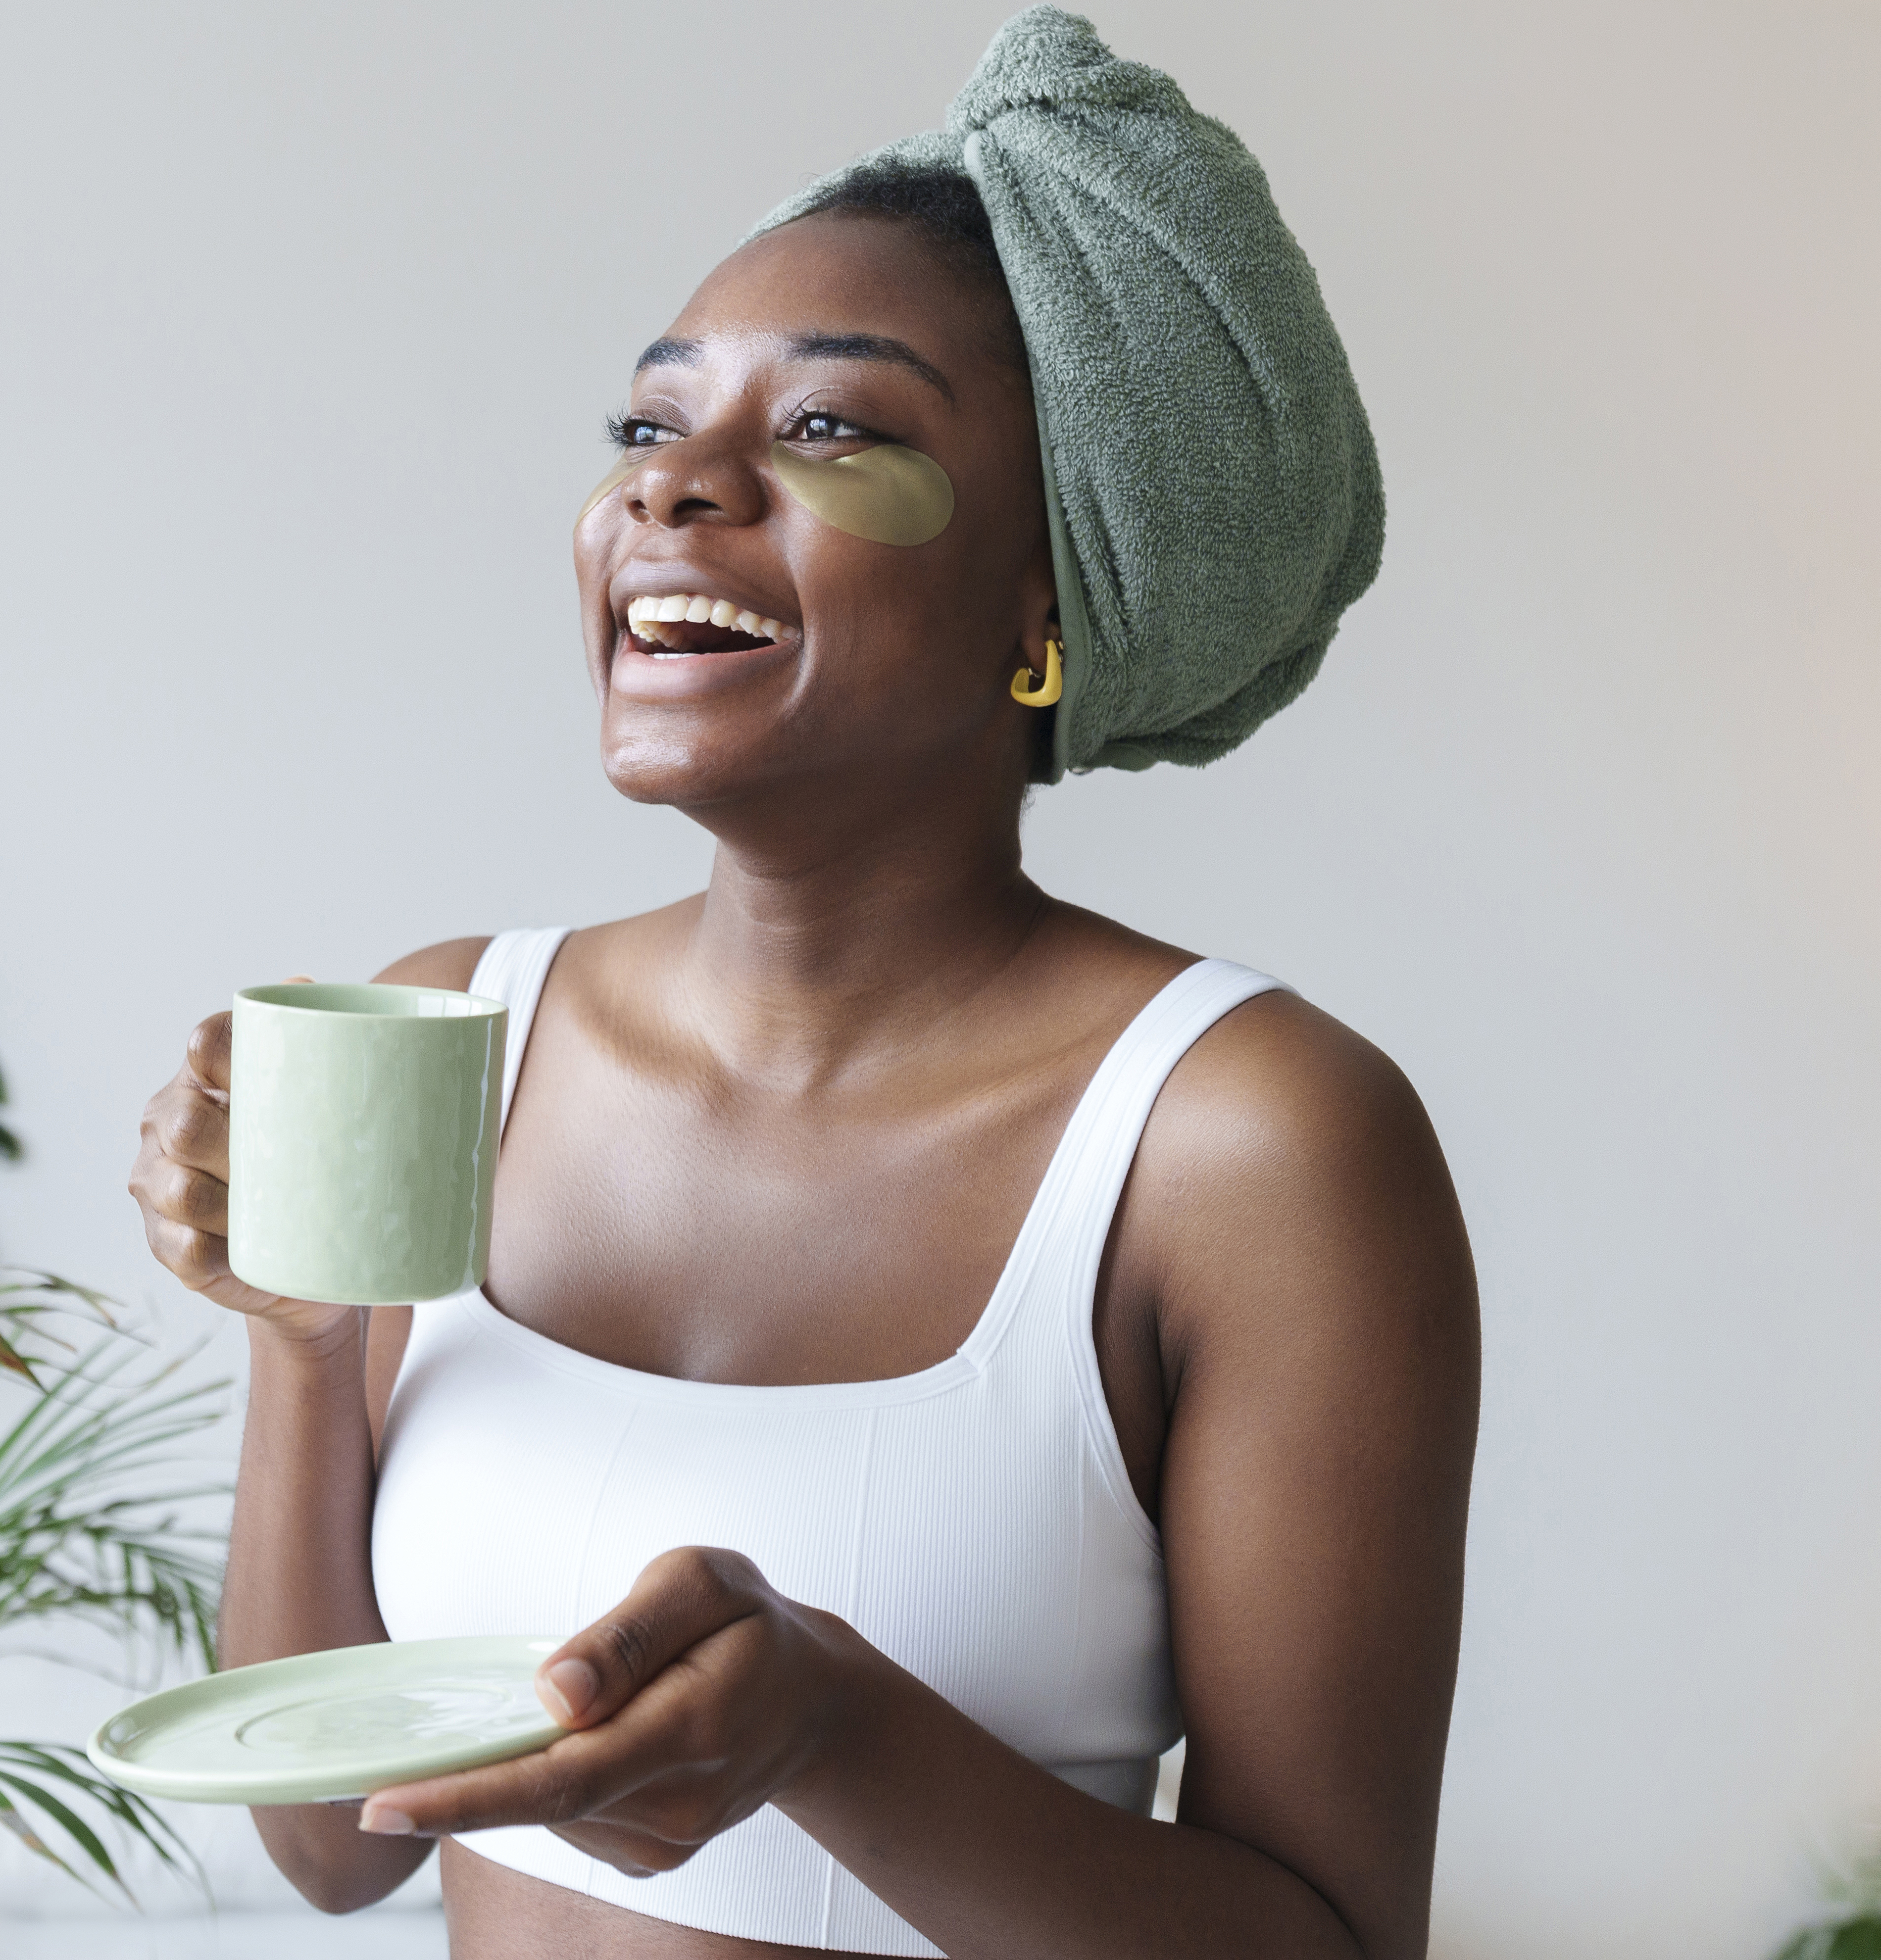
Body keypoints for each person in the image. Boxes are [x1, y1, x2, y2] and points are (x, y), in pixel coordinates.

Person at [126, 11, 1475, 1955]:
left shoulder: (1250, 1146)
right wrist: (302, 1344)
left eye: (831, 428)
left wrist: (830, 1731)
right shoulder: (452, 1038)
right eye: (652, 425)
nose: (676, 490)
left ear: (1049, 599)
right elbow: (338, 1845)